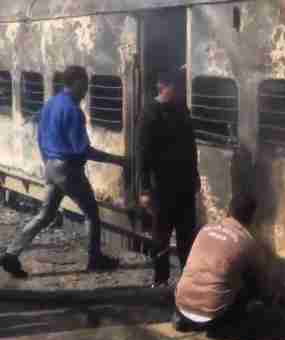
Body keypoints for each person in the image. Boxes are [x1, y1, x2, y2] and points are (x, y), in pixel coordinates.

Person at [1, 66, 123, 278]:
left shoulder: (50, 104)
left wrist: (48, 162)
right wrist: (116, 160)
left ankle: (11, 254)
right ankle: (95, 259)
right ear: (75, 82)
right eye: (84, 84)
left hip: (51, 166)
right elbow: (83, 150)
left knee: (44, 215)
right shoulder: (73, 111)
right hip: (68, 169)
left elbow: (40, 136)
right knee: (92, 213)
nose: (86, 90)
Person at [172, 193, 269, 335]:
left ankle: (185, 318)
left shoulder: (205, 229)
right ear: (251, 217)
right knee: (252, 292)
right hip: (213, 313)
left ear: (228, 211)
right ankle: (228, 325)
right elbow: (259, 282)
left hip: (182, 303)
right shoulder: (247, 241)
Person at [138, 70, 200, 287]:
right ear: (163, 86)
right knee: (161, 234)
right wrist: (145, 189)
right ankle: (161, 278)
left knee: (187, 233)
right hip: (161, 185)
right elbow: (143, 153)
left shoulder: (182, 109)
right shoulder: (150, 113)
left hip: (184, 184)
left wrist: (195, 176)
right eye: (176, 87)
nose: (180, 91)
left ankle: (188, 277)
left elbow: (191, 147)